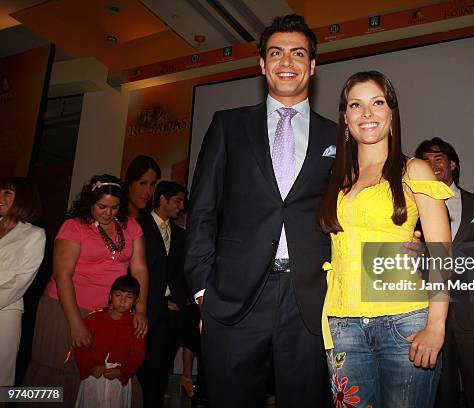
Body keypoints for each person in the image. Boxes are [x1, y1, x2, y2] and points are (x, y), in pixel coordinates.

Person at [185, 14, 336, 407]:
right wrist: (203, 290)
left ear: (313, 65)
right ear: (263, 64)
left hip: (311, 300)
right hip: (234, 298)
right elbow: (201, 210)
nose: (287, 62)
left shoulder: (338, 136)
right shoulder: (227, 125)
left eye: (298, 53)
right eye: (276, 53)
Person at [317, 71, 452, 408]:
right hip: (342, 323)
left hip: (404, 323)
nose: (367, 113)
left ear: (391, 113)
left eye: (377, 103)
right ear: (345, 118)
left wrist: (436, 325)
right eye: (356, 105)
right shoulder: (334, 177)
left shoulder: (414, 169)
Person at [23, 174, 149, 406]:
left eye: (114, 207)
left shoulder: (131, 226)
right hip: (66, 309)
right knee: (59, 378)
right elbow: (62, 275)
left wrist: (140, 309)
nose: (108, 213)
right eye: (102, 206)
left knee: (103, 378)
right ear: (90, 202)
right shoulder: (74, 226)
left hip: (110, 313)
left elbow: (140, 270)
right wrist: (76, 323)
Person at [415, 138, 474, 408]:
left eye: (438, 158)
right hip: (426, 307)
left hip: (472, 308)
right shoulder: (410, 208)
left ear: (453, 163)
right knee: (440, 388)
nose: (432, 164)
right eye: (425, 160)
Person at [137, 181, 189, 407]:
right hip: (144, 309)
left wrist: (178, 300)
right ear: (162, 200)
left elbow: (181, 273)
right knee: (141, 369)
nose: (181, 206)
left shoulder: (180, 234)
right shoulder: (138, 227)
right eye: (178, 200)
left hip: (171, 312)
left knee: (160, 371)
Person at [74, 275, 145, 408]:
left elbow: (137, 355)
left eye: (129, 297)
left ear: (136, 301)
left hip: (118, 380)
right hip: (94, 377)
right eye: (118, 295)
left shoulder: (136, 325)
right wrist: (90, 367)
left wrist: (121, 371)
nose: (123, 301)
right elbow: (80, 347)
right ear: (110, 296)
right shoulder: (93, 319)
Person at [0, 177, 45, 386]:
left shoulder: (34, 235)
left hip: (5, 313)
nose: (0, 197)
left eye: (7, 193)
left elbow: (20, 282)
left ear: (22, 199)